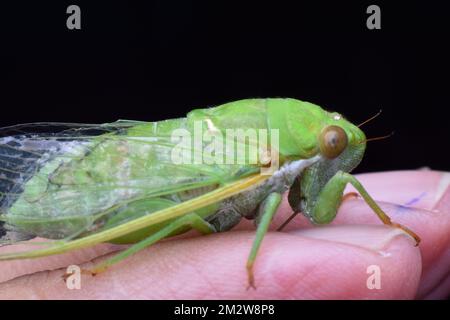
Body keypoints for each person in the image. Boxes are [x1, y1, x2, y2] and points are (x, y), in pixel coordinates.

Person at [0, 170, 448, 299]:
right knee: (182, 220)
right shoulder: (267, 168)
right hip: (146, 188)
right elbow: (273, 204)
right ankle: (104, 263)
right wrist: (252, 262)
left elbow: (291, 203)